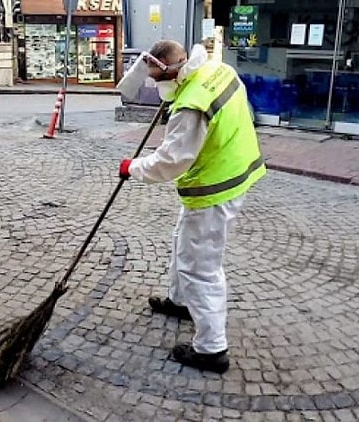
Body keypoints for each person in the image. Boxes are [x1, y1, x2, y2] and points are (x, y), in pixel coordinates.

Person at [116, 40, 266, 374]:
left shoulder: (190, 105)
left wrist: (132, 167)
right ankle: (180, 301)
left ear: (173, 69)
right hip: (233, 168)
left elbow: (171, 161)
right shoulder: (218, 70)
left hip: (215, 187)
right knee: (183, 239)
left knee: (201, 267)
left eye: (157, 79)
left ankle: (212, 349)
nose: (156, 86)